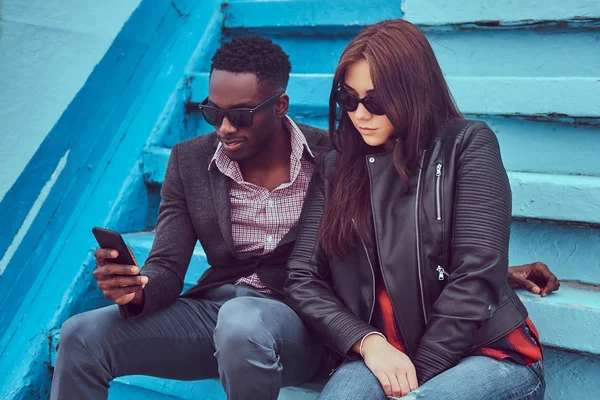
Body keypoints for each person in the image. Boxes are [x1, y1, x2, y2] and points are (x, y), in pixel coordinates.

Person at [51, 35, 558, 400]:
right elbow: (173, 266)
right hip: (269, 316)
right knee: (81, 333)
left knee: (243, 323)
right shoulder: (335, 162)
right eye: (348, 100)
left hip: (324, 328)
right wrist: (137, 287)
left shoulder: (340, 153)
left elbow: (443, 251)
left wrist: (491, 268)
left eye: (241, 114)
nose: (225, 127)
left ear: (281, 106)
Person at [285, 19, 551, 400]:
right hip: (384, 353)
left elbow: (475, 277)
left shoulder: (467, 146)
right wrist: (367, 342)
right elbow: (302, 277)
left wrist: (415, 377)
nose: (360, 114)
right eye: (349, 99)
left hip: (488, 354)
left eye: (375, 101)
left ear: (412, 92)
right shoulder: (336, 167)